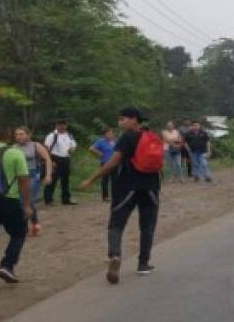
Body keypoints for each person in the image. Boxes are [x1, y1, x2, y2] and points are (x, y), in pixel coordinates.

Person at [78, 107, 162, 284]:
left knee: (116, 223)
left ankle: (115, 255)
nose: (120, 122)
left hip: (127, 187)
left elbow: (113, 163)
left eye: (123, 119)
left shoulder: (127, 137)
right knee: (147, 226)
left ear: (134, 120)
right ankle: (143, 263)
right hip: (151, 187)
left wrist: (91, 179)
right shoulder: (151, 136)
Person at [0, 123, 33, 289]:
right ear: (8, 136)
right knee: (19, 232)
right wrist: (27, 204)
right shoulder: (15, 153)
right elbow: (23, 180)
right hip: (9, 201)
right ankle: (7, 265)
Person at [13, 127, 53, 237]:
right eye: (16, 134)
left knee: (26, 201)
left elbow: (47, 159)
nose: (18, 136)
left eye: (21, 134)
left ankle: (25, 227)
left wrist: (48, 175)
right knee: (24, 202)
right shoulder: (13, 148)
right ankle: (34, 223)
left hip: (32, 176)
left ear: (28, 135)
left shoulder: (35, 145)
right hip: (17, 177)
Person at [43, 119, 77, 205]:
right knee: (52, 179)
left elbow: (73, 145)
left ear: (66, 126)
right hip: (54, 158)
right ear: (56, 125)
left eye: (63, 125)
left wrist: (72, 149)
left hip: (66, 159)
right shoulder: (52, 135)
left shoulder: (69, 135)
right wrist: (50, 160)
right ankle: (48, 199)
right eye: (60, 125)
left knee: (65, 180)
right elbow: (46, 147)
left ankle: (66, 199)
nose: (62, 127)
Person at [89, 128, 117, 202]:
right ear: (104, 135)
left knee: (115, 180)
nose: (111, 135)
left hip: (114, 163)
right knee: (105, 180)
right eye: (109, 133)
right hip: (105, 163)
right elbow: (91, 148)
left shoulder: (113, 142)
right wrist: (98, 153)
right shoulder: (100, 141)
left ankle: (115, 196)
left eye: (111, 133)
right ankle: (105, 197)